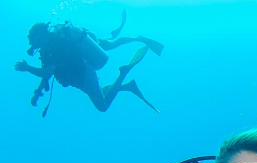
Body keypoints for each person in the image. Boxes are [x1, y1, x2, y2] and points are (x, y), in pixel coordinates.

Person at [14, 12, 163, 114]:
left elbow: (46, 72)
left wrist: (27, 68)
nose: (30, 42)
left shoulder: (54, 45)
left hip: (83, 74)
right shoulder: (47, 49)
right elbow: (46, 74)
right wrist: (38, 93)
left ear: (40, 34)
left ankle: (123, 72)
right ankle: (128, 83)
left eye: (31, 37)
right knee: (110, 45)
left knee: (102, 106)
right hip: (81, 73)